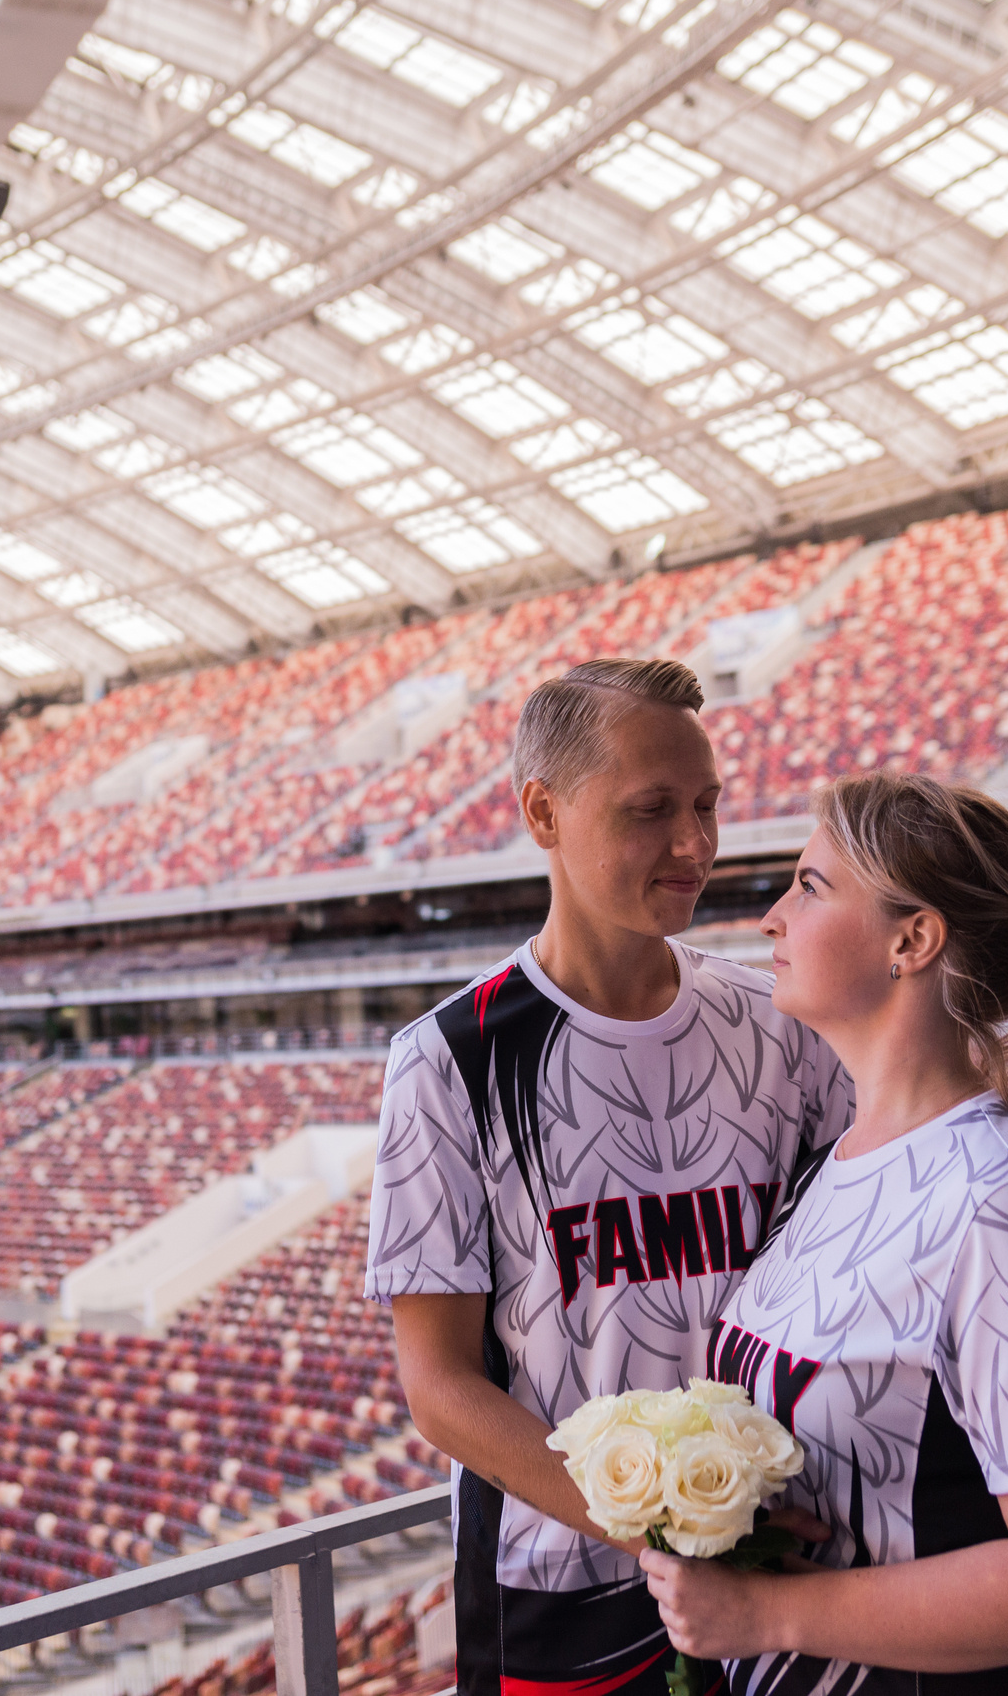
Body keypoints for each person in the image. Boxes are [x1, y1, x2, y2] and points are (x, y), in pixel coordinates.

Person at [367, 658, 854, 1696]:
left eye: (706, 806)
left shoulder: (781, 1026)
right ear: (543, 812)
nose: (695, 844)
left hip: (787, 1558)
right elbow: (440, 1385)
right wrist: (667, 1531)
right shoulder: (447, 1061)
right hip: (558, 1589)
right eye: (651, 810)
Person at [640, 770, 1008, 1695]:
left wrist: (770, 1614)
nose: (772, 918)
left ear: (911, 940)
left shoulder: (1004, 1206)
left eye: (810, 886)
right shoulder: (827, 1168)